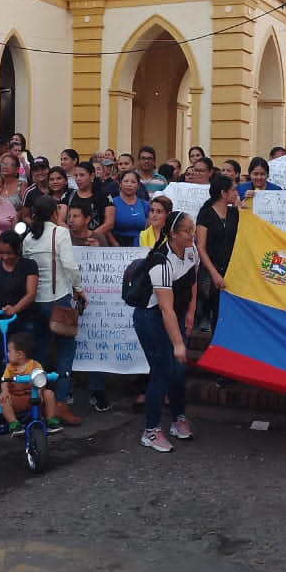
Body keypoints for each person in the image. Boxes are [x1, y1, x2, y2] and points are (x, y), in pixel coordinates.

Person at [132, 210, 198, 452]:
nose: (193, 234)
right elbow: (165, 309)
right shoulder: (161, 262)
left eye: (193, 228)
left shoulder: (191, 250)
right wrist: (178, 343)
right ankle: (150, 431)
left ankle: (179, 418)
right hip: (151, 317)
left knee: (179, 369)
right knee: (162, 369)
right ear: (173, 234)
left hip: (175, 315)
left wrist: (190, 314)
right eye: (187, 231)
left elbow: (193, 282)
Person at [20, 196, 85, 424]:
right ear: (54, 214)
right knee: (67, 350)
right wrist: (80, 289)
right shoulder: (60, 233)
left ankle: (35, 400)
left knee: (41, 351)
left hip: (35, 300)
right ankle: (59, 404)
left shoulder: (28, 237)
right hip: (58, 298)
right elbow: (69, 265)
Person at [196, 173, 240, 332]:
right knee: (213, 309)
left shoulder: (235, 214)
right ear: (223, 193)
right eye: (233, 190)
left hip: (231, 270)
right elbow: (201, 247)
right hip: (210, 271)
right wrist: (214, 273)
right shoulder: (206, 214)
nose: (236, 193)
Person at [0, 333, 62, 436]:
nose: (7, 354)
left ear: (20, 354)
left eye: (9, 351)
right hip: (16, 398)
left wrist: (40, 392)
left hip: (34, 396)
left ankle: (51, 420)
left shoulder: (35, 365)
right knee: (3, 399)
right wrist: (5, 392)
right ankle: (14, 423)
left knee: (49, 393)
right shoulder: (10, 368)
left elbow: (41, 381)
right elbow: (4, 380)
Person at [63, 162, 114, 246]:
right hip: (71, 241)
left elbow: (109, 223)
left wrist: (90, 236)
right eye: (76, 175)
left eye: (82, 175)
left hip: (96, 241)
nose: (78, 179)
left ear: (92, 176)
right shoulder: (68, 195)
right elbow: (61, 220)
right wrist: (74, 237)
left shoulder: (104, 196)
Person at [111, 170, 150, 247]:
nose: (129, 184)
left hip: (140, 245)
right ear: (120, 184)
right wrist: (115, 244)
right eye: (126, 181)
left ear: (138, 185)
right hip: (117, 245)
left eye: (133, 182)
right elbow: (107, 227)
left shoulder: (145, 205)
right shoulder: (112, 203)